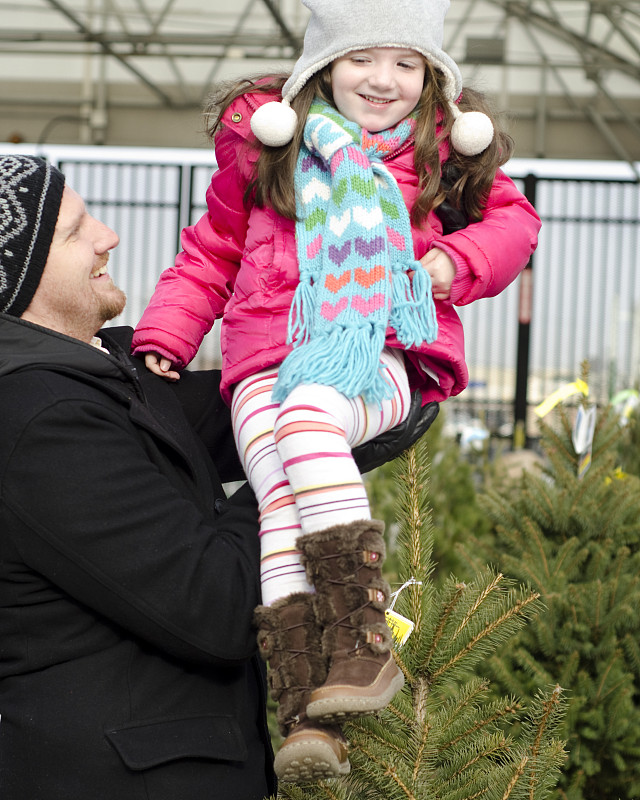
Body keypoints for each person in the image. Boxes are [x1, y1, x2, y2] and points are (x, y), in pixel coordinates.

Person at [132, 0, 541, 783]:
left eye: (406, 63)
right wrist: (168, 332)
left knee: (311, 416)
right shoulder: (267, 152)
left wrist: (455, 261)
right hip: (264, 363)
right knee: (277, 496)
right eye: (362, 59)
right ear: (322, 66)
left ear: (429, 78)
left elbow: (515, 226)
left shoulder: (440, 154)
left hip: (380, 353)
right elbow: (213, 249)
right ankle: (308, 716)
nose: (382, 80)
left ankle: (361, 636)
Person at [0, 154, 430, 799]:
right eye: (74, 230)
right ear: (21, 278)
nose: (107, 236)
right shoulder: (40, 421)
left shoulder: (112, 375)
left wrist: (373, 346)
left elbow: (257, 403)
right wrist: (294, 465)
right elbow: (217, 607)